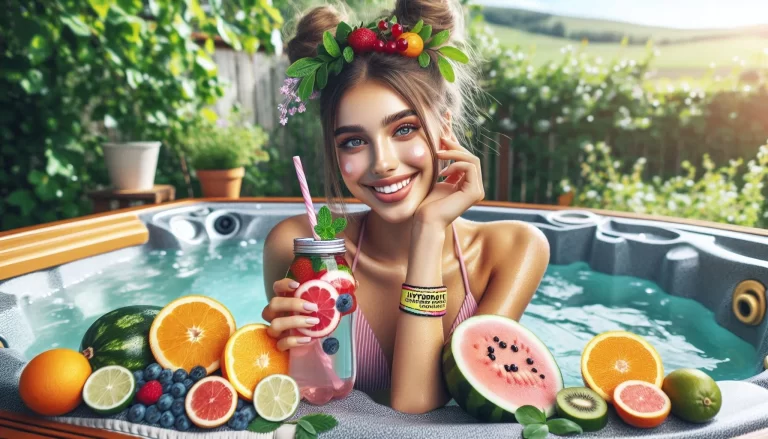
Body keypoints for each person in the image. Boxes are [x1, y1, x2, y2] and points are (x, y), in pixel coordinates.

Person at [260, 0, 550, 414]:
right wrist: (278, 350)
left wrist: (429, 231)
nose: (383, 162)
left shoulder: (514, 251)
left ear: (444, 128)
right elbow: (290, 395)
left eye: (404, 128)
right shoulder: (298, 246)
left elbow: (416, 404)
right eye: (353, 141)